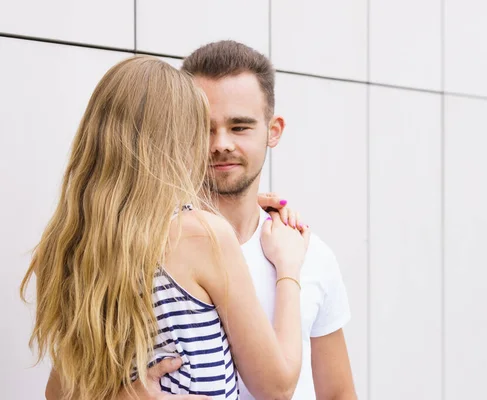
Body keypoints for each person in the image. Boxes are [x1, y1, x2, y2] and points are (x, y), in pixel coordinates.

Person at [24, 55, 311, 400]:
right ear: (177, 141)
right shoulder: (203, 236)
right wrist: (289, 269)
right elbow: (277, 387)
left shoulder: (62, 248)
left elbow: (58, 393)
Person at [165, 40, 356, 399]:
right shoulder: (151, 249)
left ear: (274, 130)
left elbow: (339, 393)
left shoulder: (309, 254)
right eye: (205, 128)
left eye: (239, 127)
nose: (221, 143)